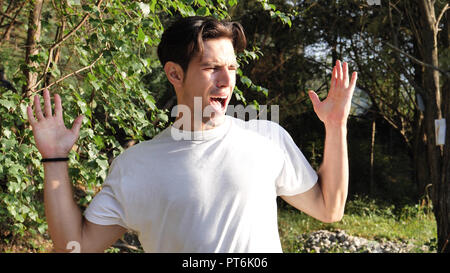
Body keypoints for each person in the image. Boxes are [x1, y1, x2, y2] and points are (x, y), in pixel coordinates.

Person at [27, 16, 357, 253]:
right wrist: (55, 159)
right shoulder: (136, 165)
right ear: (175, 73)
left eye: (232, 68)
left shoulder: (268, 138)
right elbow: (76, 247)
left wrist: (336, 125)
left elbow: (330, 209)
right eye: (212, 68)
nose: (227, 82)